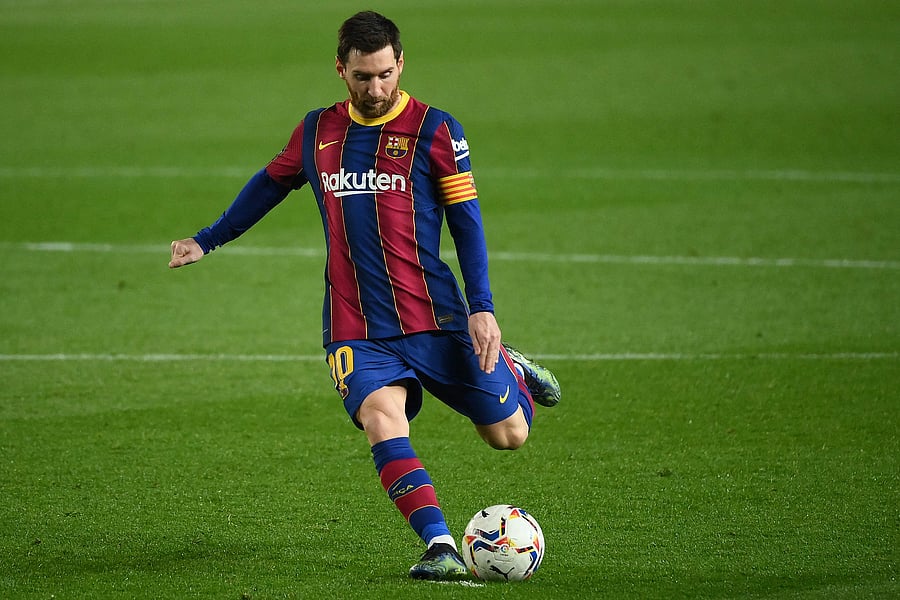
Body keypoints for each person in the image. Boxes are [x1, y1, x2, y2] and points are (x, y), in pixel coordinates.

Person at [169, 10, 560, 581]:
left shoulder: (436, 130)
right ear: (340, 69)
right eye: (361, 77)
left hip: (436, 315)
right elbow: (270, 183)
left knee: (508, 435)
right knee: (382, 418)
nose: (375, 89)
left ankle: (513, 371)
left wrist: (482, 308)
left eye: (384, 74)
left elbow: (466, 221)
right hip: (355, 324)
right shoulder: (318, 130)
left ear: (400, 63)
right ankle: (441, 547)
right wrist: (207, 240)